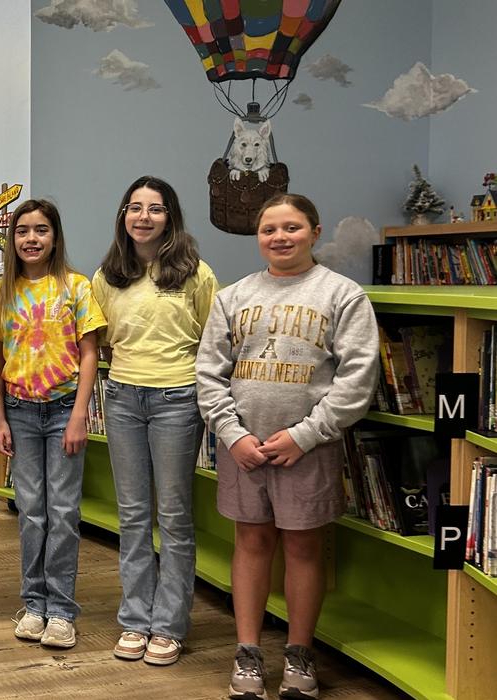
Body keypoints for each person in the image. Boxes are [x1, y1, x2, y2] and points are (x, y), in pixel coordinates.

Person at [196, 193, 379, 700]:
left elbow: (357, 378)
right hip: (243, 449)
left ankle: (299, 654)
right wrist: (231, 436)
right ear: (257, 237)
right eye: (269, 229)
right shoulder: (231, 297)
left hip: (309, 449)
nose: (280, 237)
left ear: (314, 232)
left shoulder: (342, 296)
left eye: (292, 227)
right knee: (251, 543)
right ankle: (248, 653)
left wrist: (306, 435)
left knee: (302, 547)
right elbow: (210, 375)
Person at [92, 176, 218, 665]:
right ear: (123, 216)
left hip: (177, 399)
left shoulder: (196, 274)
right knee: (133, 515)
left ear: (171, 218)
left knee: (174, 517)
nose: (143, 216)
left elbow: (215, 341)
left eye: (156, 209)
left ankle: (168, 625)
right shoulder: (108, 276)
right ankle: (134, 619)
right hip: (122, 397)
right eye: (134, 207)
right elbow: (98, 339)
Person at [0, 199, 105, 650]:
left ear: (55, 237)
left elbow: (90, 352)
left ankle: (61, 610)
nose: (31, 239)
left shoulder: (75, 287)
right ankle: (33, 604)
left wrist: (80, 415)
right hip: (18, 410)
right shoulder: (2, 293)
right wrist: (0, 417)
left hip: (62, 413)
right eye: (23, 231)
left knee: (64, 512)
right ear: (12, 239)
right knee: (31, 512)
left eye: (41, 230)